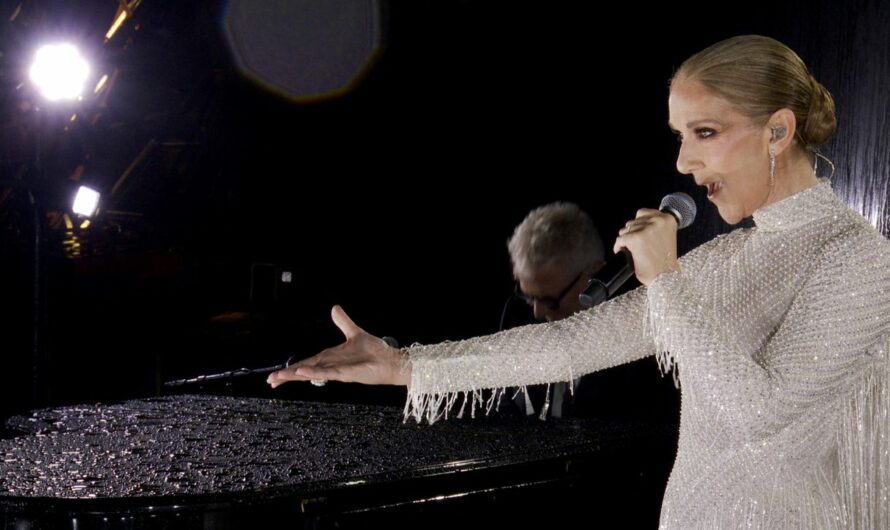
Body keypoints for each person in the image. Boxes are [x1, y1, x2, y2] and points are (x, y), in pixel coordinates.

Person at [268, 35, 890, 528]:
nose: (682, 162)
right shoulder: (723, 260)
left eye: (705, 133)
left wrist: (666, 280)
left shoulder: (858, 259)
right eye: (680, 137)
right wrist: (404, 366)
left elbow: (763, 414)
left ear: (778, 130)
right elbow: (570, 345)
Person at [501, 201, 605, 418]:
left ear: (593, 276)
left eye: (550, 300)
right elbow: (505, 408)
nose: (537, 312)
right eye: (529, 297)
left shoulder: (637, 332)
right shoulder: (517, 312)